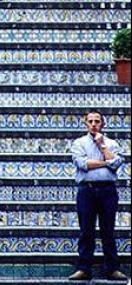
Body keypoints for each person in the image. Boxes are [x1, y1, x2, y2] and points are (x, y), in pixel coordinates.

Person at [69, 111, 127, 281]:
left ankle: (112, 268)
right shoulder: (79, 143)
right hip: (86, 190)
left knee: (108, 231)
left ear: (103, 124)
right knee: (86, 231)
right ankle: (83, 268)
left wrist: (102, 146)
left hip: (108, 191)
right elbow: (82, 164)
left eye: (97, 121)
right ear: (86, 124)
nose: (93, 124)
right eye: (90, 121)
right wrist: (106, 162)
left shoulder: (111, 143)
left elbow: (116, 163)